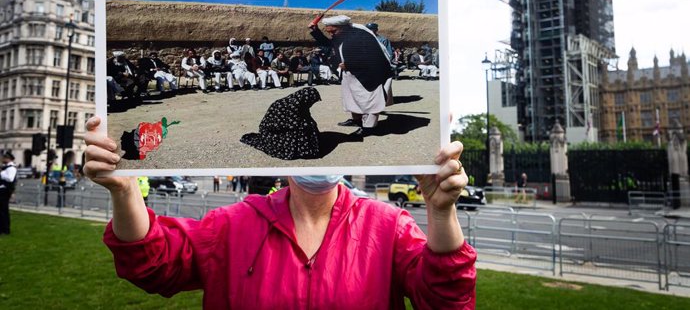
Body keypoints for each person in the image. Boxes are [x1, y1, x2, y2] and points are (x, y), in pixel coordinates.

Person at [83, 116, 476, 308]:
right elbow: (153, 263)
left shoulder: (387, 227)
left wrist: (441, 213)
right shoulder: (232, 225)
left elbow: (447, 301)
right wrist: (125, 189)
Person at [309, 15, 394, 137]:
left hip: (367, 75)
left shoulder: (361, 36)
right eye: (329, 32)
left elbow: (373, 57)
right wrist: (315, 30)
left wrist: (349, 64)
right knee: (352, 99)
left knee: (369, 101)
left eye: (333, 31)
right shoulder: (342, 35)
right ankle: (357, 120)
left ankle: (369, 128)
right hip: (350, 73)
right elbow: (329, 44)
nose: (332, 34)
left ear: (343, 27)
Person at [0, 152, 17, 235]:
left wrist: (1, 174)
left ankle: (5, 229)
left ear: (8, 158)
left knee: (4, 211)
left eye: (3, 158)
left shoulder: (11, 168)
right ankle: (2, 228)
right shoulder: (6, 168)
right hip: (2, 190)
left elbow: (10, 179)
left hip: (5, 191)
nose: (2, 159)